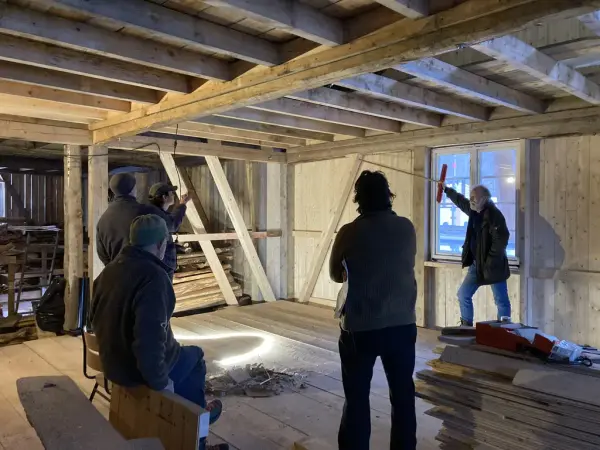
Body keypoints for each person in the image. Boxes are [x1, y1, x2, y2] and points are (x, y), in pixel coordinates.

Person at [91, 214, 227, 450]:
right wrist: (160, 382)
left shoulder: (108, 272)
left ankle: (195, 421)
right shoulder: (154, 278)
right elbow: (148, 340)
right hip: (136, 372)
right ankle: (198, 432)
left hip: (113, 365)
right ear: (161, 244)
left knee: (180, 357)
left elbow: (94, 320)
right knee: (195, 357)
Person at [329, 170, 417, 450]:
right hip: (402, 326)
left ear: (359, 200)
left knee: (357, 400)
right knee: (403, 398)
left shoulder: (349, 232)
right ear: (388, 196)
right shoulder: (406, 227)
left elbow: (335, 274)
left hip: (361, 329)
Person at [440, 183, 511, 326]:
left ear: (484, 198)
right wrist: (447, 190)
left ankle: (504, 330)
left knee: (501, 300)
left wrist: (490, 261)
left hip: (494, 266)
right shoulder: (475, 210)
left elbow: (501, 240)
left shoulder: (494, 215)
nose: (471, 200)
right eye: (471, 197)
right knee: (463, 294)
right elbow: (461, 202)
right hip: (477, 264)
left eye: (474, 197)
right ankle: (466, 326)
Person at [96, 173, 148, 266]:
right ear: (132, 189)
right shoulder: (145, 212)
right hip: (143, 271)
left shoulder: (103, 220)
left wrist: (115, 268)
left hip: (116, 272)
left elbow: (102, 254)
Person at [147, 182, 190, 279]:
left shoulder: (154, 211)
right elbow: (172, 224)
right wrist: (183, 204)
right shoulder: (155, 213)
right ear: (164, 197)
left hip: (159, 262)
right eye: (171, 193)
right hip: (162, 263)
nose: (173, 195)